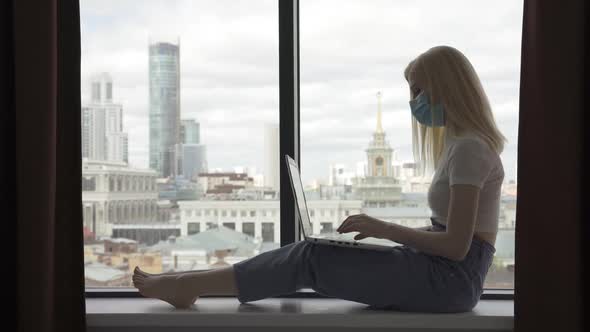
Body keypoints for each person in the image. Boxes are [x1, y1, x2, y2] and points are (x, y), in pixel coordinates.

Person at [133, 45, 506, 313]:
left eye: (418, 91)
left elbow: (458, 247)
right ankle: (188, 281)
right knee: (313, 253)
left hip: (450, 281)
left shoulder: (470, 148)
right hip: (445, 274)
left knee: (312, 257)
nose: (413, 102)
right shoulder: (463, 145)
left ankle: (187, 285)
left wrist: (385, 230)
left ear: (447, 89)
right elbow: (456, 235)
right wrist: (391, 242)